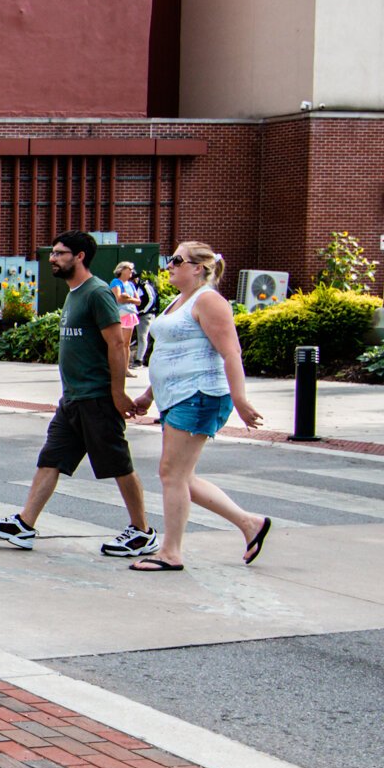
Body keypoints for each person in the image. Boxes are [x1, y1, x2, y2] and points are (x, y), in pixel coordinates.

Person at [0, 231, 157, 557]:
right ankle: (24, 524)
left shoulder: (97, 293)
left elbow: (117, 344)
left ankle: (143, 532)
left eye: (60, 254)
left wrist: (118, 392)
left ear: (80, 257)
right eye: (53, 253)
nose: (52, 259)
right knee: (51, 459)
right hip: (73, 399)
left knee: (118, 464)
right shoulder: (74, 294)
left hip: (97, 397)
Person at [125, 243, 268, 572]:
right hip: (175, 396)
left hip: (200, 394)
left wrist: (241, 400)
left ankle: (171, 553)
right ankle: (250, 525)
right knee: (180, 477)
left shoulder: (209, 301)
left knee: (171, 474)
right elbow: (172, 353)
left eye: (177, 260)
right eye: (170, 259)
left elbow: (231, 353)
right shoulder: (180, 301)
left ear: (199, 268)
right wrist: (148, 394)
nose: (170, 266)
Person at [112, 262, 141, 373]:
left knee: (126, 344)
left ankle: (125, 369)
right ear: (121, 270)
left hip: (130, 315)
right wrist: (129, 299)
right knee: (118, 343)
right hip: (119, 315)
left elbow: (138, 301)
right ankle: (115, 369)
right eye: (129, 269)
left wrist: (127, 298)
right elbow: (118, 298)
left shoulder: (131, 284)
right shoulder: (116, 282)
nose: (131, 271)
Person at [131, 272, 160, 369]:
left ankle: (139, 360)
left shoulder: (144, 286)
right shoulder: (134, 287)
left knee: (142, 336)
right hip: (138, 314)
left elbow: (151, 299)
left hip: (146, 315)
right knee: (140, 337)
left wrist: (143, 311)